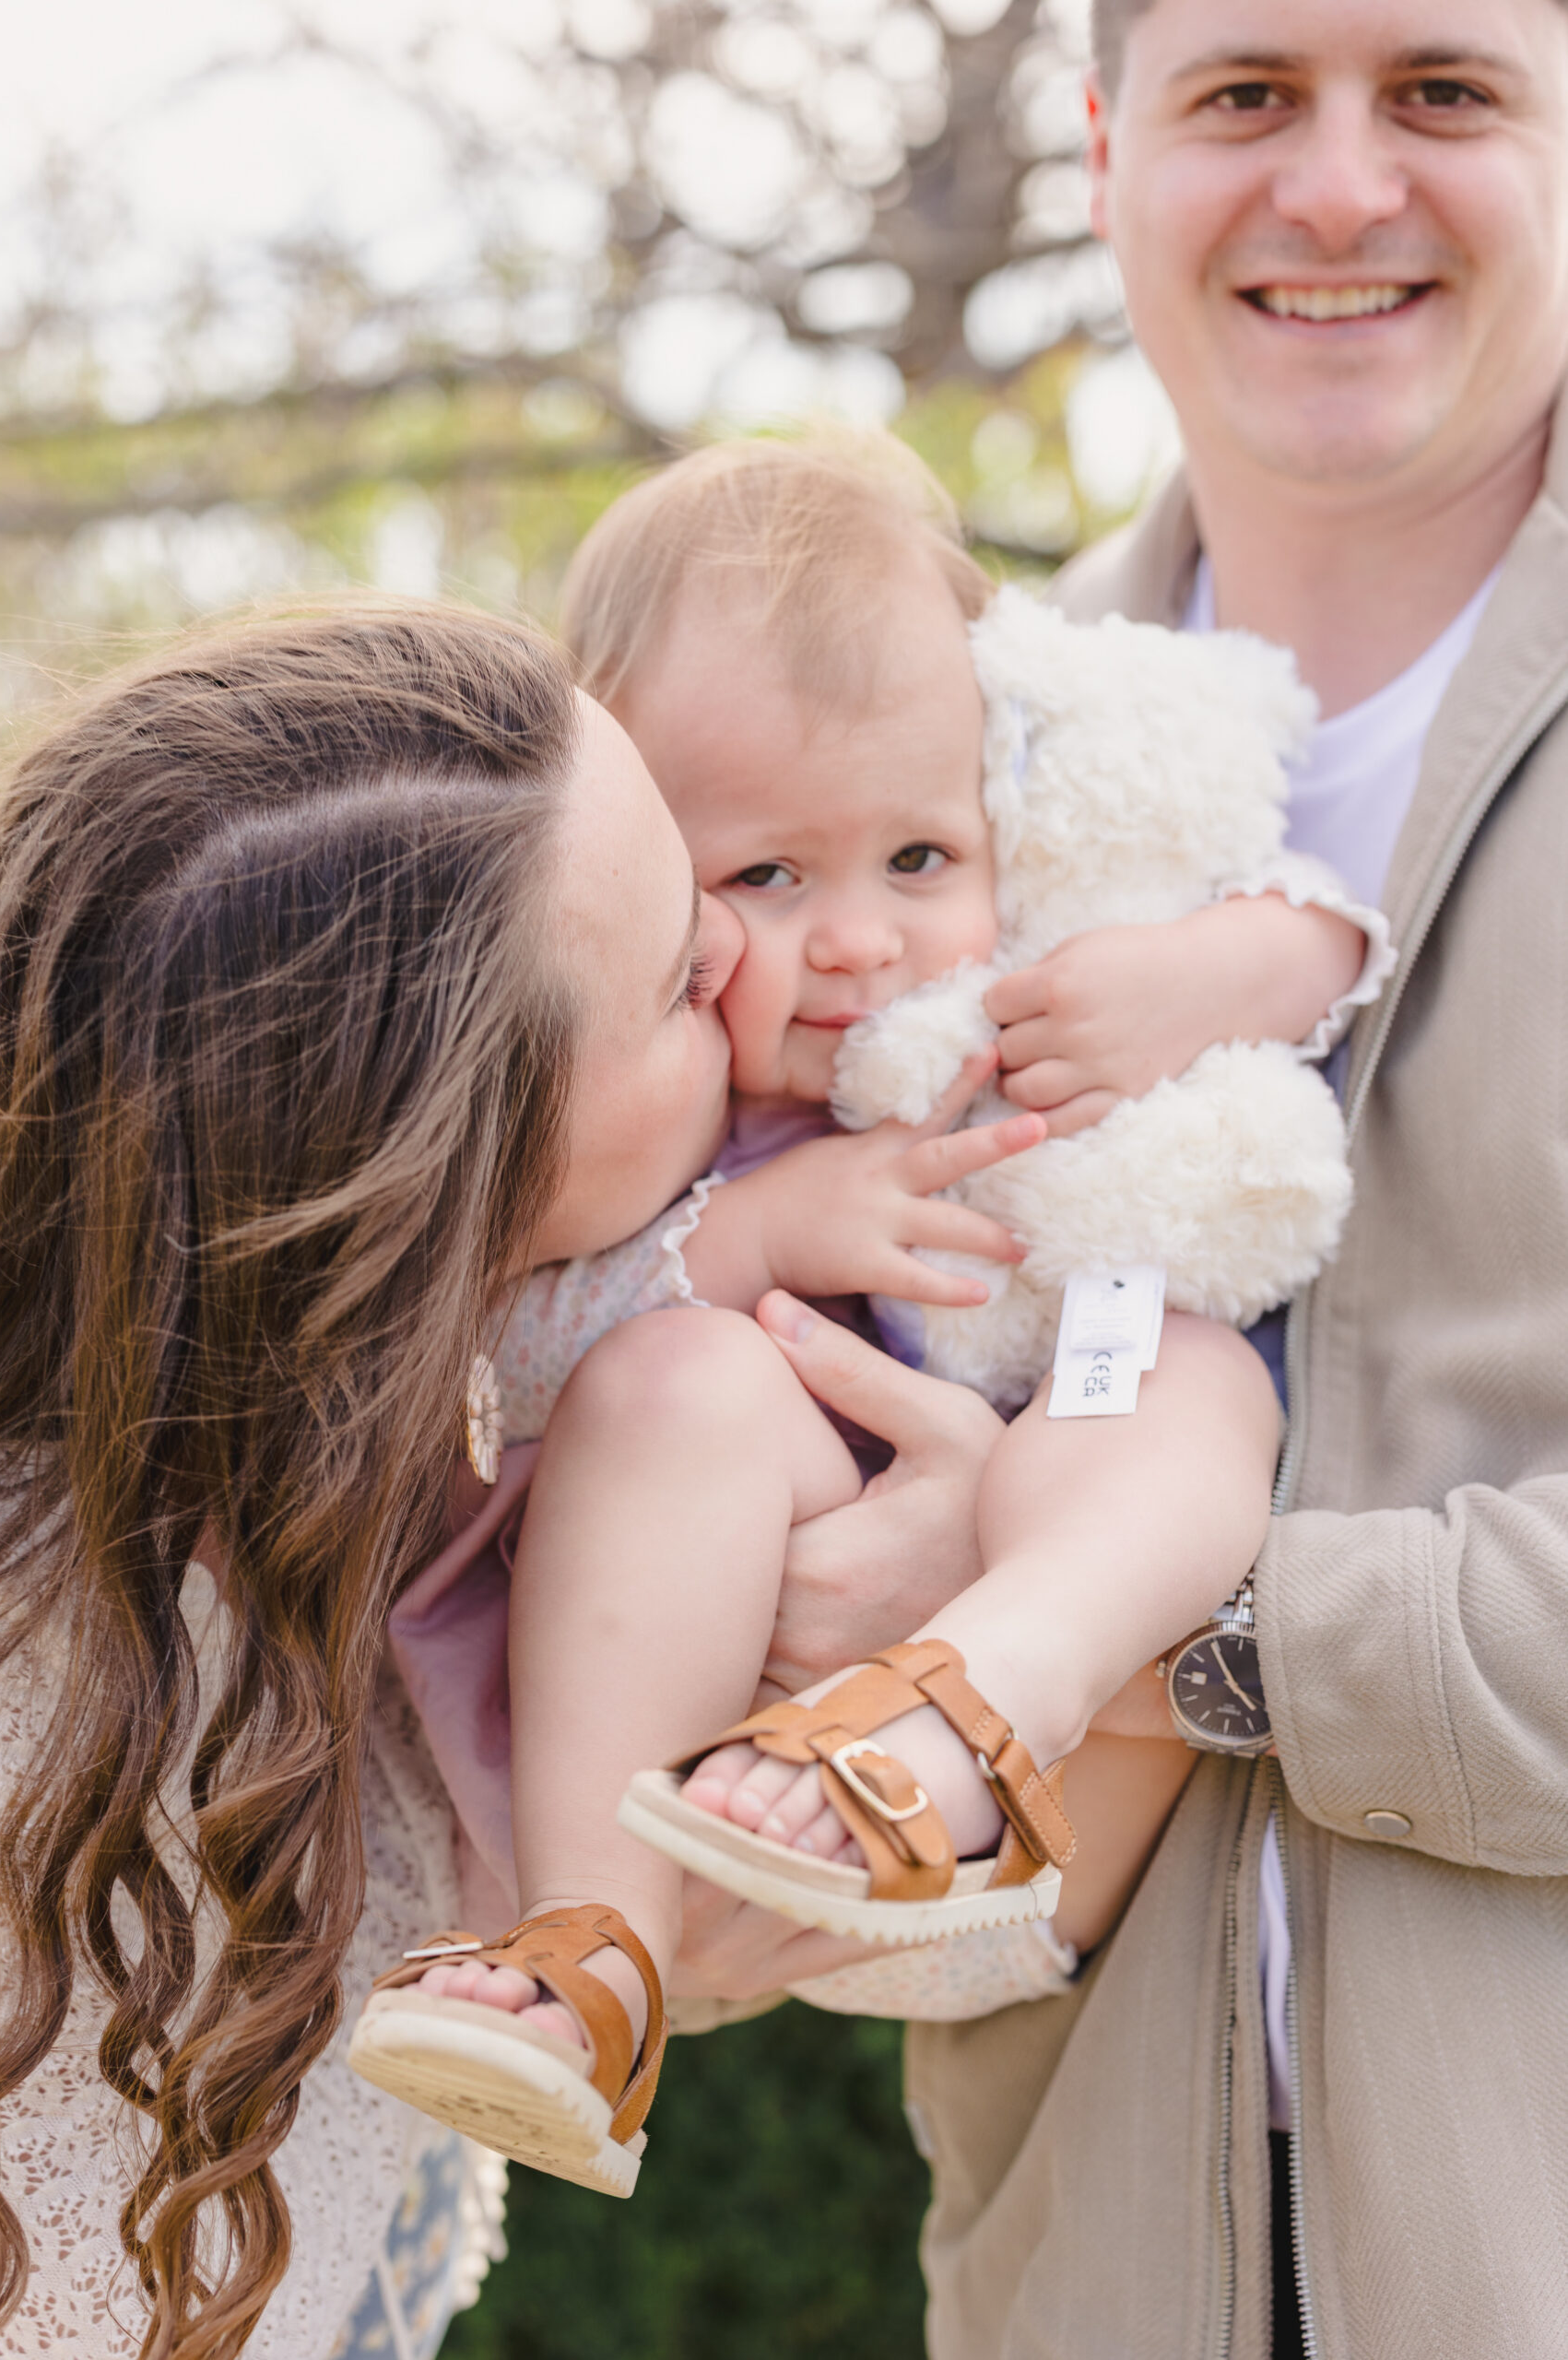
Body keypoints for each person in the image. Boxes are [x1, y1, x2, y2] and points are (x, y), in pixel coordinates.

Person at [670, 3, 1568, 2354]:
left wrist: (1139, 1624)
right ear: (1101, 151)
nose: (1342, 188)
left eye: (1444, 92)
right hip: (1085, 2277)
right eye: (1247, 94)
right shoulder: (898, 756)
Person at [358, 435, 1385, 2200]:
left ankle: (984, 1689)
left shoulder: (1051, 966)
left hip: (1039, 1811)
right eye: (765, 880)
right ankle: (589, 1962)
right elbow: (495, 1357)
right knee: (670, 1370)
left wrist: (1213, 973)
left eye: (919, 855)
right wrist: (749, 1232)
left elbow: (1334, 928)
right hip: (688, 1795)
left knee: (1180, 1370)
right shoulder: (644, 1096)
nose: (861, 944)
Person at [0, 603, 749, 2355]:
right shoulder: (107, 1680)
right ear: (440, 1183)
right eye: (677, 983)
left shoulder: (416, 1470)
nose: (745, 946)